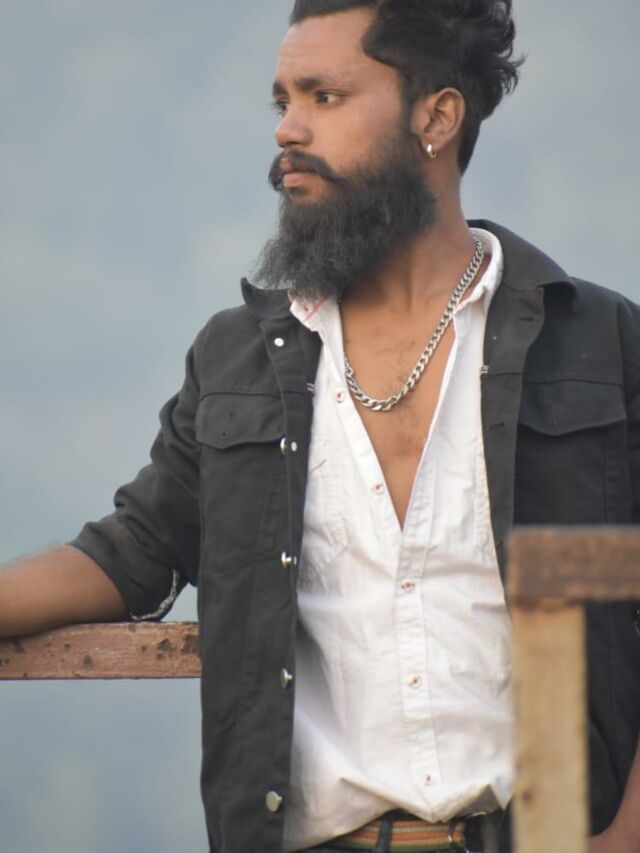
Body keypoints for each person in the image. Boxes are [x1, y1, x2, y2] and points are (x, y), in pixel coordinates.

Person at [1, 1, 640, 851]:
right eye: (282, 101)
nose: (288, 129)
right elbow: (134, 550)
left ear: (437, 117)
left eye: (324, 97)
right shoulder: (238, 359)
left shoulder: (598, 340)